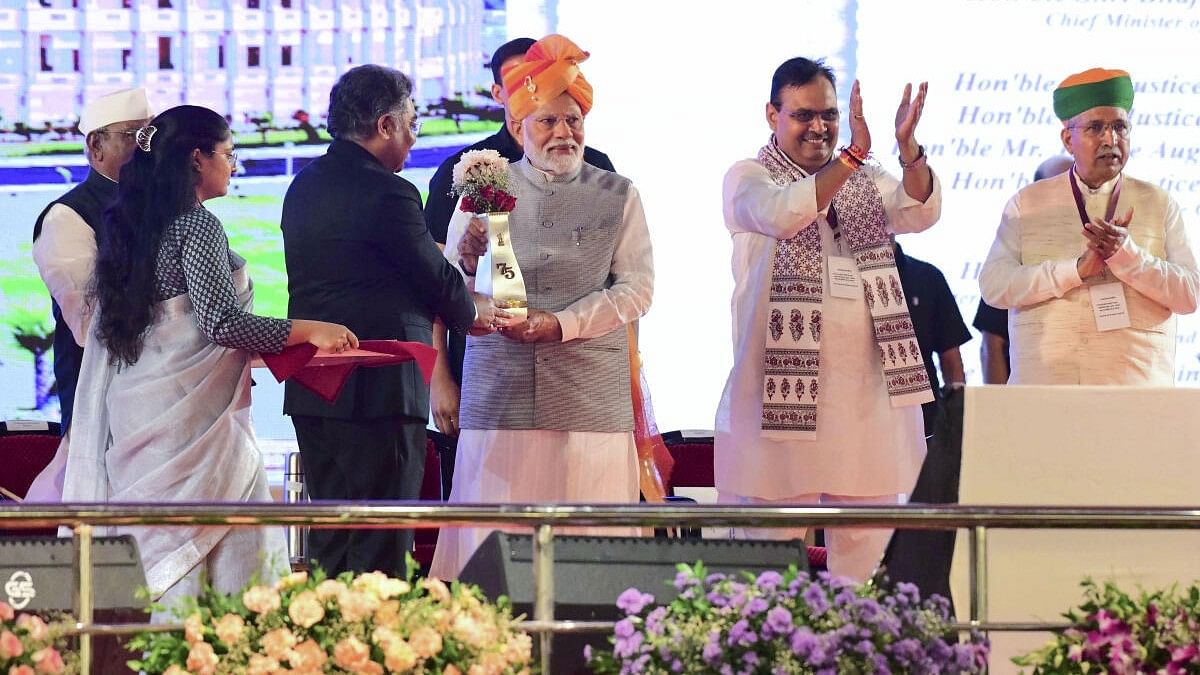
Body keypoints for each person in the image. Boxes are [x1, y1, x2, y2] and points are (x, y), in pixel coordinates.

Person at [32, 105, 355, 605]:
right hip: (195, 426)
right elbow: (221, 324)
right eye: (228, 153)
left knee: (153, 547)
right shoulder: (195, 226)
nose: (234, 164)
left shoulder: (133, 222)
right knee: (225, 562)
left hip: (141, 412)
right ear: (197, 159)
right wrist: (309, 330)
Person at [431, 34, 654, 579]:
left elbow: (639, 289)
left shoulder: (618, 192)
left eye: (573, 119)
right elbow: (447, 291)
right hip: (501, 396)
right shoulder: (483, 189)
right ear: (518, 127)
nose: (563, 133)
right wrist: (463, 261)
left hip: (591, 401)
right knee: (493, 551)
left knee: (592, 556)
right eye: (547, 122)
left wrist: (561, 325)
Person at [714, 56, 941, 581]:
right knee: (768, 568)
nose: (820, 128)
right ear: (772, 113)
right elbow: (783, 214)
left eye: (830, 115)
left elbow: (921, 209)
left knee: (866, 559)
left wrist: (908, 149)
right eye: (804, 115)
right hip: (777, 400)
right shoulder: (749, 177)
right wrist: (852, 156)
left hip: (864, 402)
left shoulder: (866, 180)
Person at [282, 64, 496, 577]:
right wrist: (473, 310)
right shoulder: (392, 192)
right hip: (378, 389)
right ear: (385, 126)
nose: (411, 136)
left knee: (332, 548)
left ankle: (328, 650)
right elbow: (431, 278)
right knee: (381, 550)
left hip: (315, 389)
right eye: (412, 123)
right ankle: (379, 655)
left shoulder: (302, 185)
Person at [423, 37, 617, 440]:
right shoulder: (468, 170)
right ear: (502, 95)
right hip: (490, 369)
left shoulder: (600, 171)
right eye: (523, 80)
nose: (537, 89)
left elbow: (623, 284)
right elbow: (438, 278)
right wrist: (439, 376)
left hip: (580, 369)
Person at [980, 68, 1200, 385]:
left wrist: (1128, 258)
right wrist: (1075, 270)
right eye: (1096, 128)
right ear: (1068, 139)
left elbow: (1190, 295)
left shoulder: (1159, 202)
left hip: (1137, 394)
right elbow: (994, 287)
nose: (1110, 139)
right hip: (1048, 392)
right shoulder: (1027, 203)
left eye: (1120, 127)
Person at [32, 88, 153, 434]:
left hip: (167, 395)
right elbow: (91, 324)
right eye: (134, 136)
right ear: (96, 146)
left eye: (152, 136)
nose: (148, 147)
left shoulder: (166, 209)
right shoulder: (67, 216)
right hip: (102, 399)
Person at [973, 155, 1073, 384]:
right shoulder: (1015, 254)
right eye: (1062, 186)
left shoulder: (1101, 246)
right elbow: (992, 344)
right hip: (1030, 400)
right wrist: (1000, 409)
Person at [892, 238, 970, 435]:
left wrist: (957, 419)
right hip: (861, 414)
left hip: (925, 419)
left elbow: (951, 359)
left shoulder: (927, 277)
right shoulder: (841, 275)